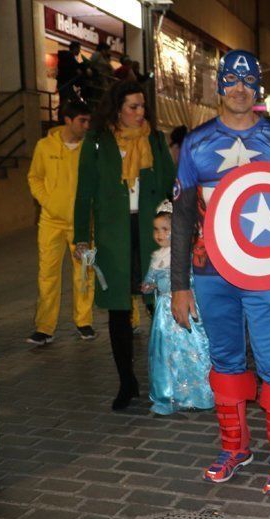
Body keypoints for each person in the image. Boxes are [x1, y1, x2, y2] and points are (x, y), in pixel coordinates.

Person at [170, 50, 270, 494]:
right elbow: (181, 216)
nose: (239, 88)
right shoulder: (195, 144)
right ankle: (235, 447)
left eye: (248, 81)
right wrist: (178, 285)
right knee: (225, 360)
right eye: (231, 79)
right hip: (210, 269)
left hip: (267, 273)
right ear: (219, 86)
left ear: (259, 88)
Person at [74, 80, 175, 410]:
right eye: (133, 107)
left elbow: (169, 185)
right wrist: (81, 236)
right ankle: (126, 382)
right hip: (114, 234)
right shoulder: (98, 142)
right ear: (117, 108)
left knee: (156, 304)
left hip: (151, 234)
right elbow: (85, 191)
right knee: (118, 311)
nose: (140, 112)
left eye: (143, 106)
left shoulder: (155, 140)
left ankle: (168, 375)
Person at [27, 101, 95, 346]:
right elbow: (34, 178)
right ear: (67, 119)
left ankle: (84, 321)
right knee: (47, 274)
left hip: (82, 223)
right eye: (82, 121)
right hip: (51, 222)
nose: (86, 126)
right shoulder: (44, 147)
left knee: (84, 273)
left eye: (88, 121)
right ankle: (45, 327)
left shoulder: (89, 148)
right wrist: (49, 202)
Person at [141, 202, 213, 415]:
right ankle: (169, 392)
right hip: (163, 310)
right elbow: (151, 278)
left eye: (165, 229)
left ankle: (196, 392)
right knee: (165, 352)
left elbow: (188, 278)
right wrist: (148, 285)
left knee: (189, 350)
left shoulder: (182, 254)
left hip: (180, 305)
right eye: (156, 229)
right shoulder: (157, 256)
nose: (159, 234)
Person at [56, 41, 87, 106]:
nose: (79, 51)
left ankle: (62, 115)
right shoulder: (69, 56)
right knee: (69, 101)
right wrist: (77, 69)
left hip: (64, 83)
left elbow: (81, 65)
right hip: (65, 83)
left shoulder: (71, 56)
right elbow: (76, 66)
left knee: (64, 102)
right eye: (79, 49)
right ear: (75, 48)